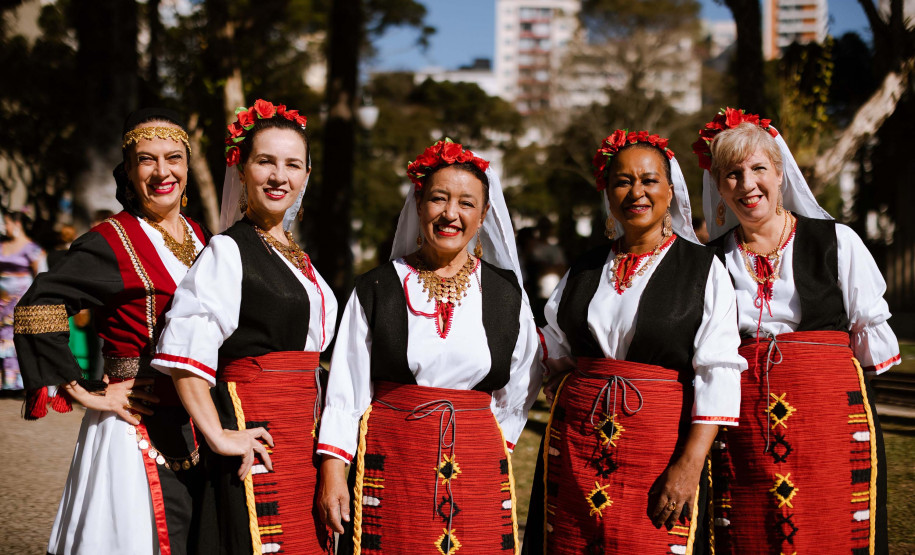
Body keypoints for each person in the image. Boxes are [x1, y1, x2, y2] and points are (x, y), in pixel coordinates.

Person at [524, 130, 746, 554]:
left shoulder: (701, 268)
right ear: (608, 193)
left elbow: (717, 371)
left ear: (670, 191)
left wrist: (690, 464)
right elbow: (551, 344)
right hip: (577, 445)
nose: (636, 192)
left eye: (649, 180)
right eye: (623, 182)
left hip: (659, 446)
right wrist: (563, 376)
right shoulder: (587, 267)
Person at [318, 138, 542, 554]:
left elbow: (524, 380)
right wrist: (334, 472)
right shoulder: (378, 287)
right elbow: (346, 390)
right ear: (419, 205)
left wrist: (490, 441)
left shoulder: (505, 294)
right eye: (439, 198)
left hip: (476, 460)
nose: (450, 214)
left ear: (483, 215)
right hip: (393, 458)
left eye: (466, 203)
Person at [693, 108, 900, 554]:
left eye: (757, 169)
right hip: (747, 422)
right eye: (732, 175)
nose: (747, 184)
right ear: (719, 188)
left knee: (833, 526)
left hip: (830, 417)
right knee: (754, 531)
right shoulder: (710, 262)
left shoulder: (837, 242)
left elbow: (869, 343)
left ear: (780, 173)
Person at [13, 108, 208, 554]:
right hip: (134, 429)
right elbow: (36, 307)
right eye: (147, 159)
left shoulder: (199, 235)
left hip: (199, 424)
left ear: (187, 165)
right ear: (129, 170)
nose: (163, 172)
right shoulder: (112, 239)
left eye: (173, 158)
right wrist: (84, 389)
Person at [151, 99, 337, 554]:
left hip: (305, 437)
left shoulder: (295, 256)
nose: (279, 176)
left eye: (292, 165)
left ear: (306, 175)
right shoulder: (229, 251)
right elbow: (186, 349)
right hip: (258, 434)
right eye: (265, 161)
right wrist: (218, 434)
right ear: (242, 169)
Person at [1, 207, 46, 391]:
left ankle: (19, 381)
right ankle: (5, 381)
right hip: (2, 300)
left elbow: (42, 275)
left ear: (17, 224)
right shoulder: (2, 245)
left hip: (21, 299)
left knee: (18, 336)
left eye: (7, 223)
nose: (5, 227)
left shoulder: (32, 249)